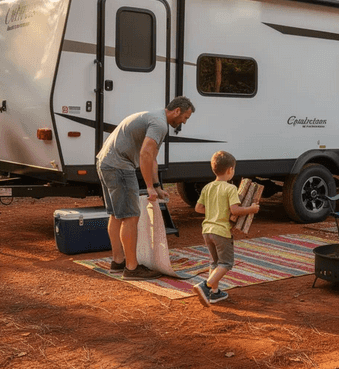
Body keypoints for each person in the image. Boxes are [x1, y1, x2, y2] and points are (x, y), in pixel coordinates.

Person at [96, 96, 195, 280]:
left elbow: (153, 157)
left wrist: (156, 186)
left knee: (116, 214)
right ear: (177, 111)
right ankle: (132, 268)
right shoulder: (160, 124)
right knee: (130, 216)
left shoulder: (156, 118)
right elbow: (145, 153)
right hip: (119, 165)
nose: (184, 122)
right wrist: (148, 186)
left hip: (106, 162)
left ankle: (118, 261)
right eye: (185, 117)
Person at [194, 150, 260, 305]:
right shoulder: (230, 189)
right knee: (226, 263)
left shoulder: (208, 187)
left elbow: (198, 208)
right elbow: (235, 211)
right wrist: (252, 209)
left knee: (215, 263)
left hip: (207, 231)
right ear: (230, 170)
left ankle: (214, 293)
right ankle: (206, 286)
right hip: (221, 232)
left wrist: (213, 212)